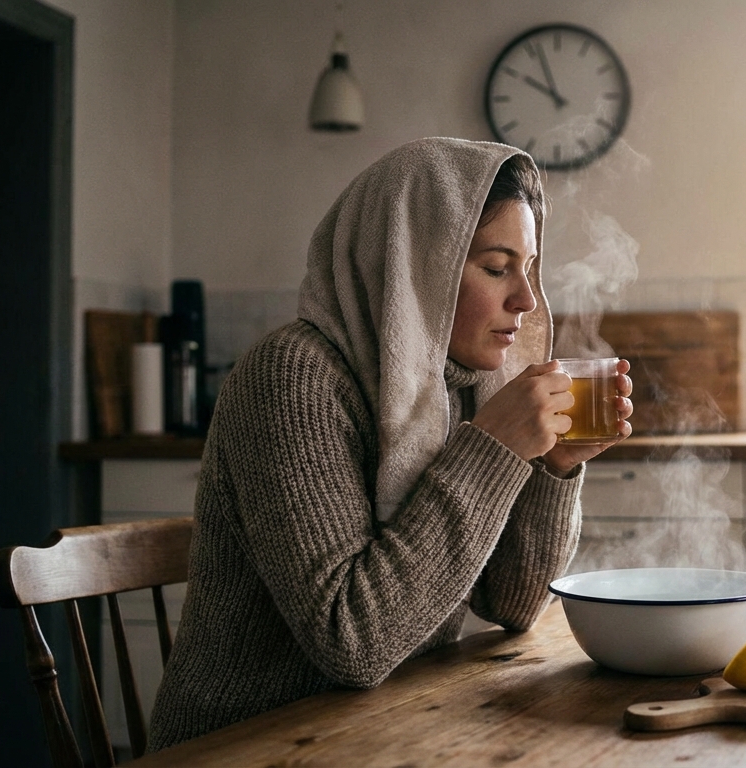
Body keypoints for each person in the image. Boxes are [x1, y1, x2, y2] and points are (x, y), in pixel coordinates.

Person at [147, 138, 633, 750]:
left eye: (529, 268)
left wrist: (552, 469)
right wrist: (494, 449)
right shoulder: (289, 378)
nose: (526, 299)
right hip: (241, 747)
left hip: (380, 731)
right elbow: (352, 641)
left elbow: (511, 604)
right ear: (412, 268)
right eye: (495, 267)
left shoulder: (460, 386)